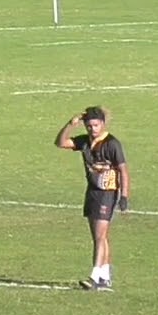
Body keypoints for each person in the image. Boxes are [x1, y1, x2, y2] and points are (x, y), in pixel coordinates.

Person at [54, 106, 130, 291]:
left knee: (99, 236)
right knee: (100, 238)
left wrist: (124, 195)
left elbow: (123, 171)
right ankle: (105, 276)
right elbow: (61, 142)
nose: (92, 129)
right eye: (88, 126)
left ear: (103, 124)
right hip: (92, 192)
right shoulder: (85, 141)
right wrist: (70, 124)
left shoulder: (112, 144)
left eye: (95, 125)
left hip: (107, 193)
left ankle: (95, 276)